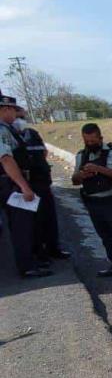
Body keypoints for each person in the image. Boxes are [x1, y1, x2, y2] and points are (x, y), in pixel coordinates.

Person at [71, 123, 112, 283]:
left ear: (100, 138)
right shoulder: (81, 155)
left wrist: (98, 169)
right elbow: (74, 181)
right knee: (105, 237)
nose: (89, 144)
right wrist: (81, 176)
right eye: (86, 141)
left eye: (93, 141)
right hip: (93, 202)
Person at [0, 94, 50, 278]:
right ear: (5, 109)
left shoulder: (8, 129)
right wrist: (24, 186)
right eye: (13, 110)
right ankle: (27, 266)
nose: (16, 113)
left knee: (23, 225)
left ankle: (32, 261)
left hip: (10, 181)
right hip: (9, 182)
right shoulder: (1, 131)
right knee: (21, 226)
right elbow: (5, 159)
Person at [13, 108, 70, 263]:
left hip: (43, 182)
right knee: (34, 223)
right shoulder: (10, 136)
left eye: (22, 117)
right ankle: (39, 254)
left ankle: (54, 249)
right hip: (28, 185)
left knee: (50, 218)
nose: (20, 120)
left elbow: (43, 152)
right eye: (18, 117)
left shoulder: (32, 133)